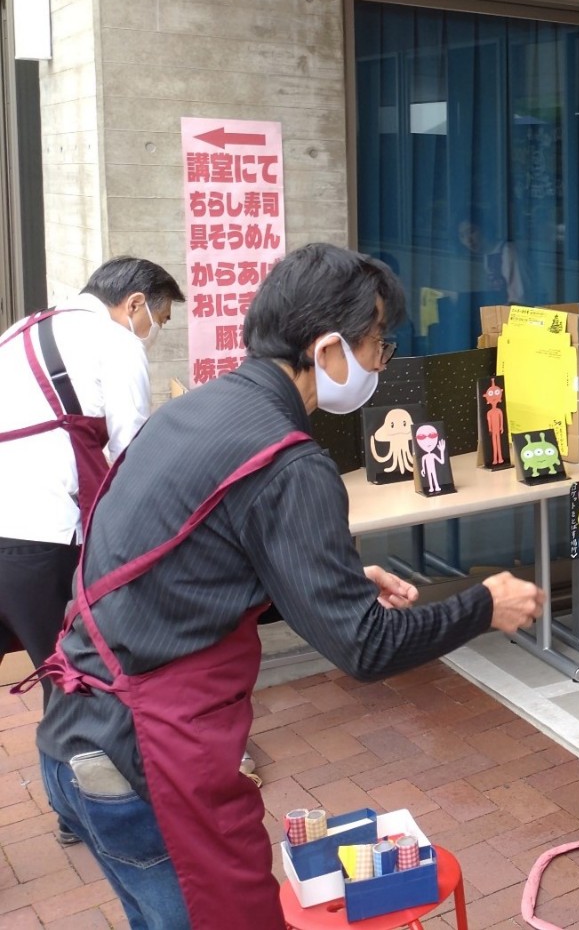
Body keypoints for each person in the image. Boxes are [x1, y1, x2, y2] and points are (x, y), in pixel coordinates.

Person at [25, 244, 546, 930]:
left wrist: (321, 575)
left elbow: (186, 556)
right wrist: (484, 604)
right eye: (377, 345)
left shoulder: (197, 408)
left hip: (77, 738)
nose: (380, 362)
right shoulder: (290, 461)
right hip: (148, 759)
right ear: (328, 350)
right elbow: (366, 647)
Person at [0, 256, 184, 669]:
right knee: (74, 676)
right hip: (42, 535)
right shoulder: (117, 341)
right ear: (135, 304)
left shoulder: (20, 330)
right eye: (163, 318)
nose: (157, 332)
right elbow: (133, 455)